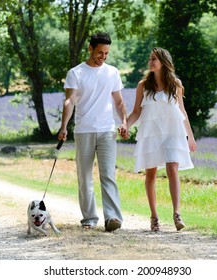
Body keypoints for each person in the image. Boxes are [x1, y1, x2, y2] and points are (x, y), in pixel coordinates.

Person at [119, 47, 196, 232]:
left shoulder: (175, 84)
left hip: (172, 131)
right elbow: (137, 112)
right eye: (150, 59)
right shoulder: (143, 85)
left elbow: (182, 111)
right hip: (151, 132)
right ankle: (154, 217)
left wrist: (190, 137)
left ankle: (177, 214)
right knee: (151, 173)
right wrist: (125, 126)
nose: (150, 61)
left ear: (163, 61)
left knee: (172, 168)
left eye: (154, 59)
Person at [58, 32, 128, 232]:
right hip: (84, 131)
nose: (103, 57)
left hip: (107, 130)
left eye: (106, 54)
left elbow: (119, 101)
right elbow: (70, 101)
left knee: (108, 175)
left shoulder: (112, 72)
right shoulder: (76, 73)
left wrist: (124, 122)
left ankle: (112, 217)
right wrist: (64, 126)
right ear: (90, 48)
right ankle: (89, 218)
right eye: (99, 53)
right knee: (85, 177)